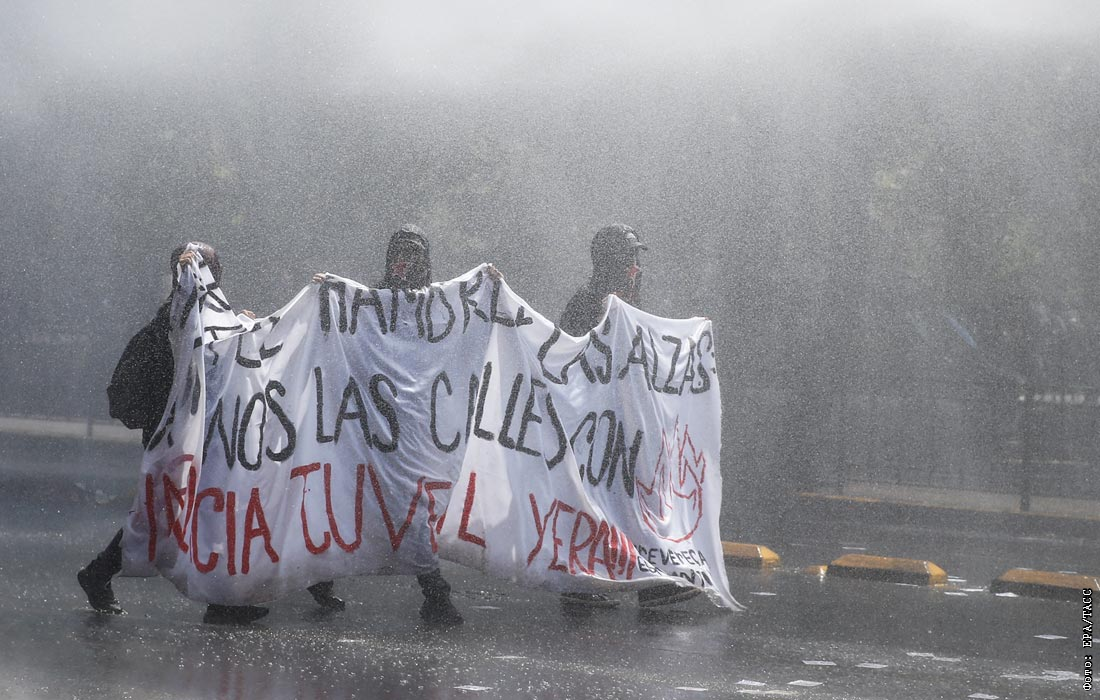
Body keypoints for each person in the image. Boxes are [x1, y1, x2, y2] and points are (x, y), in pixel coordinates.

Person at [79, 243, 345, 624]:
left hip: (211, 440)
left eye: (211, 267)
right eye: (200, 267)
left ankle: (224, 601)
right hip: (178, 441)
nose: (207, 274)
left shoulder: (215, 319)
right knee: (165, 517)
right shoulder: (171, 322)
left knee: (214, 511)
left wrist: (255, 325)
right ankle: (100, 573)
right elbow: (181, 343)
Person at [314, 224, 465, 626]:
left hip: (415, 428)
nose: (406, 261)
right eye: (400, 252)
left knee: (409, 503)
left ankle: (433, 591)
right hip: (370, 422)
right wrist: (327, 296)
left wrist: (488, 288)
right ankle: (432, 592)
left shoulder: (438, 304)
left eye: (415, 253)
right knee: (359, 498)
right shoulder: (370, 301)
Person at [559, 223, 701, 610]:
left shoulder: (631, 303)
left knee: (641, 500)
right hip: (595, 429)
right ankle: (581, 582)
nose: (636, 266)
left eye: (636, 258)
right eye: (629, 258)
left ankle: (650, 581)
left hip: (628, 427)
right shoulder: (587, 303)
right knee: (598, 503)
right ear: (610, 262)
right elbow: (568, 360)